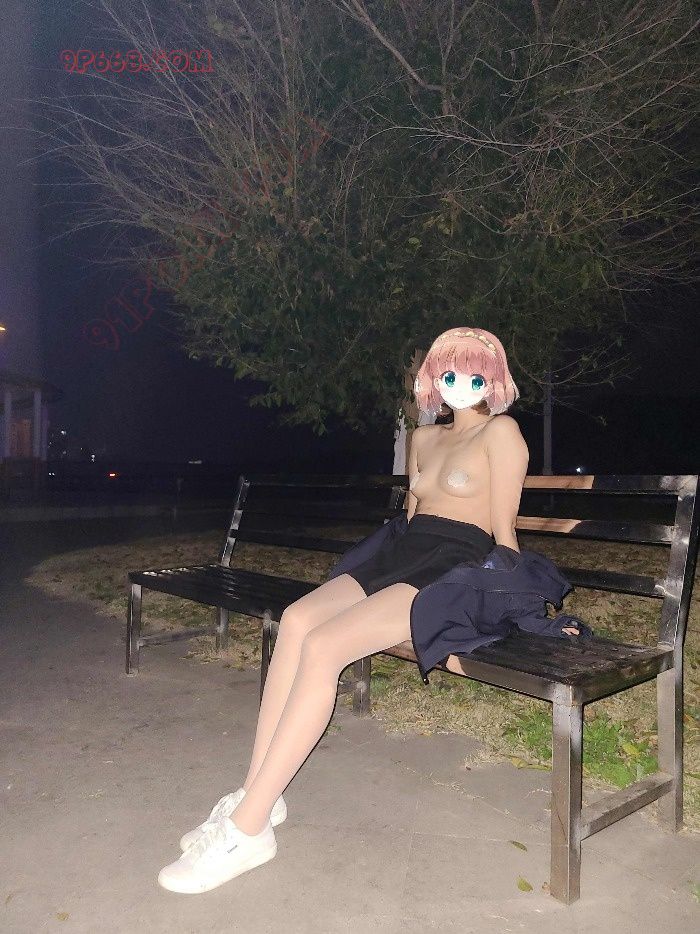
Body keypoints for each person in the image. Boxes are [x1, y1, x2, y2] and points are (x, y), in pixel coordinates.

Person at [157, 326, 582, 894]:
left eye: (474, 375)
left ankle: (248, 829)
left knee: (325, 647)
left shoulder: (501, 432)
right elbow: (411, 514)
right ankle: (259, 793)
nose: (459, 384)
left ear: (494, 381)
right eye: (448, 373)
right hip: (403, 550)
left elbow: (504, 533)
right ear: (433, 379)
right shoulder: (423, 437)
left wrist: (524, 609)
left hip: (453, 564)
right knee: (297, 621)